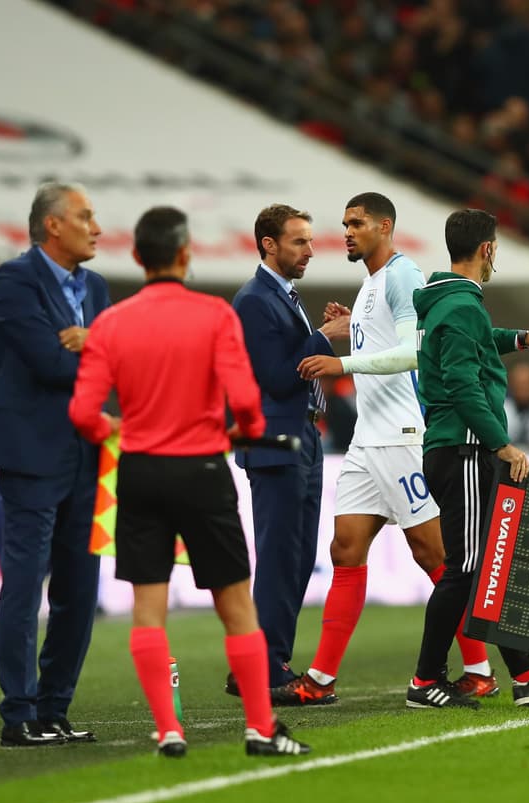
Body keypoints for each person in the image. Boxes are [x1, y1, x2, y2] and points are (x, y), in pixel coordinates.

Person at [68, 206, 309, 757]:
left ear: (136, 256)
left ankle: (168, 730)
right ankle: (259, 728)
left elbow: (83, 413)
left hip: (140, 471)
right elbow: (248, 403)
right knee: (237, 605)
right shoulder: (213, 315)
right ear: (184, 254)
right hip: (202, 470)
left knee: (148, 608)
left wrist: (116, 427)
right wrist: (242, 429)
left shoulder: (111, 323)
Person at [279, 192, 498, 705]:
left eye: (356, 223)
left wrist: (344, 363)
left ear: (384, 226)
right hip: (366, 441)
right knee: (346, 550)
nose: (347, 232)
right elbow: (386, 340)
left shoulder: (403, 275)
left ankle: (480, 668)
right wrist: (352, 326)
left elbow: (413, 352)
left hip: (401, 437)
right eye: (344, 223)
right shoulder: (373, 282)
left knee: (439, 556)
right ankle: (322, 680)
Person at [407, 208, 529, 709]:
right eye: (496, 247)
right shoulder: (462, 306)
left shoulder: (448, 301)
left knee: (488, 566)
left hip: (458, 446)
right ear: (486, 249)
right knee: (465, 567)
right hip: (463, 447)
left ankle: (525, 675)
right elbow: (462, 381)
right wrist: (499, 443)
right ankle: (425, 681)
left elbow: (473, 347)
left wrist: (521, 339)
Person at [0, 182, 111, 747]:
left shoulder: (97, 287)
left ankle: (54, 709)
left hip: (89, 452)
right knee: (26, 585)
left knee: (81, 589)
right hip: (30, 452)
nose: (96, 228)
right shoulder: (13, 279)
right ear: (53, 225)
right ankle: (19, 713)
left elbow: (106, 362)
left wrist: (91, 343)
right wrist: (104, 349)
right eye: (86, 216)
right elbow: (50, 364)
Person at [231, 204, 350, 693]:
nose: (309, 250)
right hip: (275, 441)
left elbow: (296, 362)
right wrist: (323, 337)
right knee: (280, 556)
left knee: (298, 557)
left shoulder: (283, 297)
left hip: (304, 437)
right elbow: (276, 379)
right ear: (268, 244)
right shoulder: (254, 300)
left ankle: (264, 662)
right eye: (298, 241)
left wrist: (321, 335)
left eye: (310, 240)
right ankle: (263, 668)